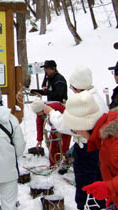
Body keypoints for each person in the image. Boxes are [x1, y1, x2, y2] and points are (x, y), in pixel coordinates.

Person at [43, 65, 107, 210]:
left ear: (77, 87)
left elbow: (66, 124)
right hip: (100, 148)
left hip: (86, 148)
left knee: (85, 187)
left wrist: (51, 112)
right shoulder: (97, 97)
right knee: (99, 183)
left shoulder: (84, 102)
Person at [62, 91, 118, 209]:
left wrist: (109, 188)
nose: (76, 133)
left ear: (83, 126)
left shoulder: (112, 143)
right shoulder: (105, 137)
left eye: (75, 130)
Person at [30, 99, 71, 167]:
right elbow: (39, 125)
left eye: (37, 113)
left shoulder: (57, 106)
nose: (37, 115)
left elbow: (67, 116)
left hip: (66, 127)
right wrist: (39, 139)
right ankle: (53, 163)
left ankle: (65, 163)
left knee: (64, 146)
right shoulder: (40, 115)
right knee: (52, 145)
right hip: (54, 127)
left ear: (42, 110)